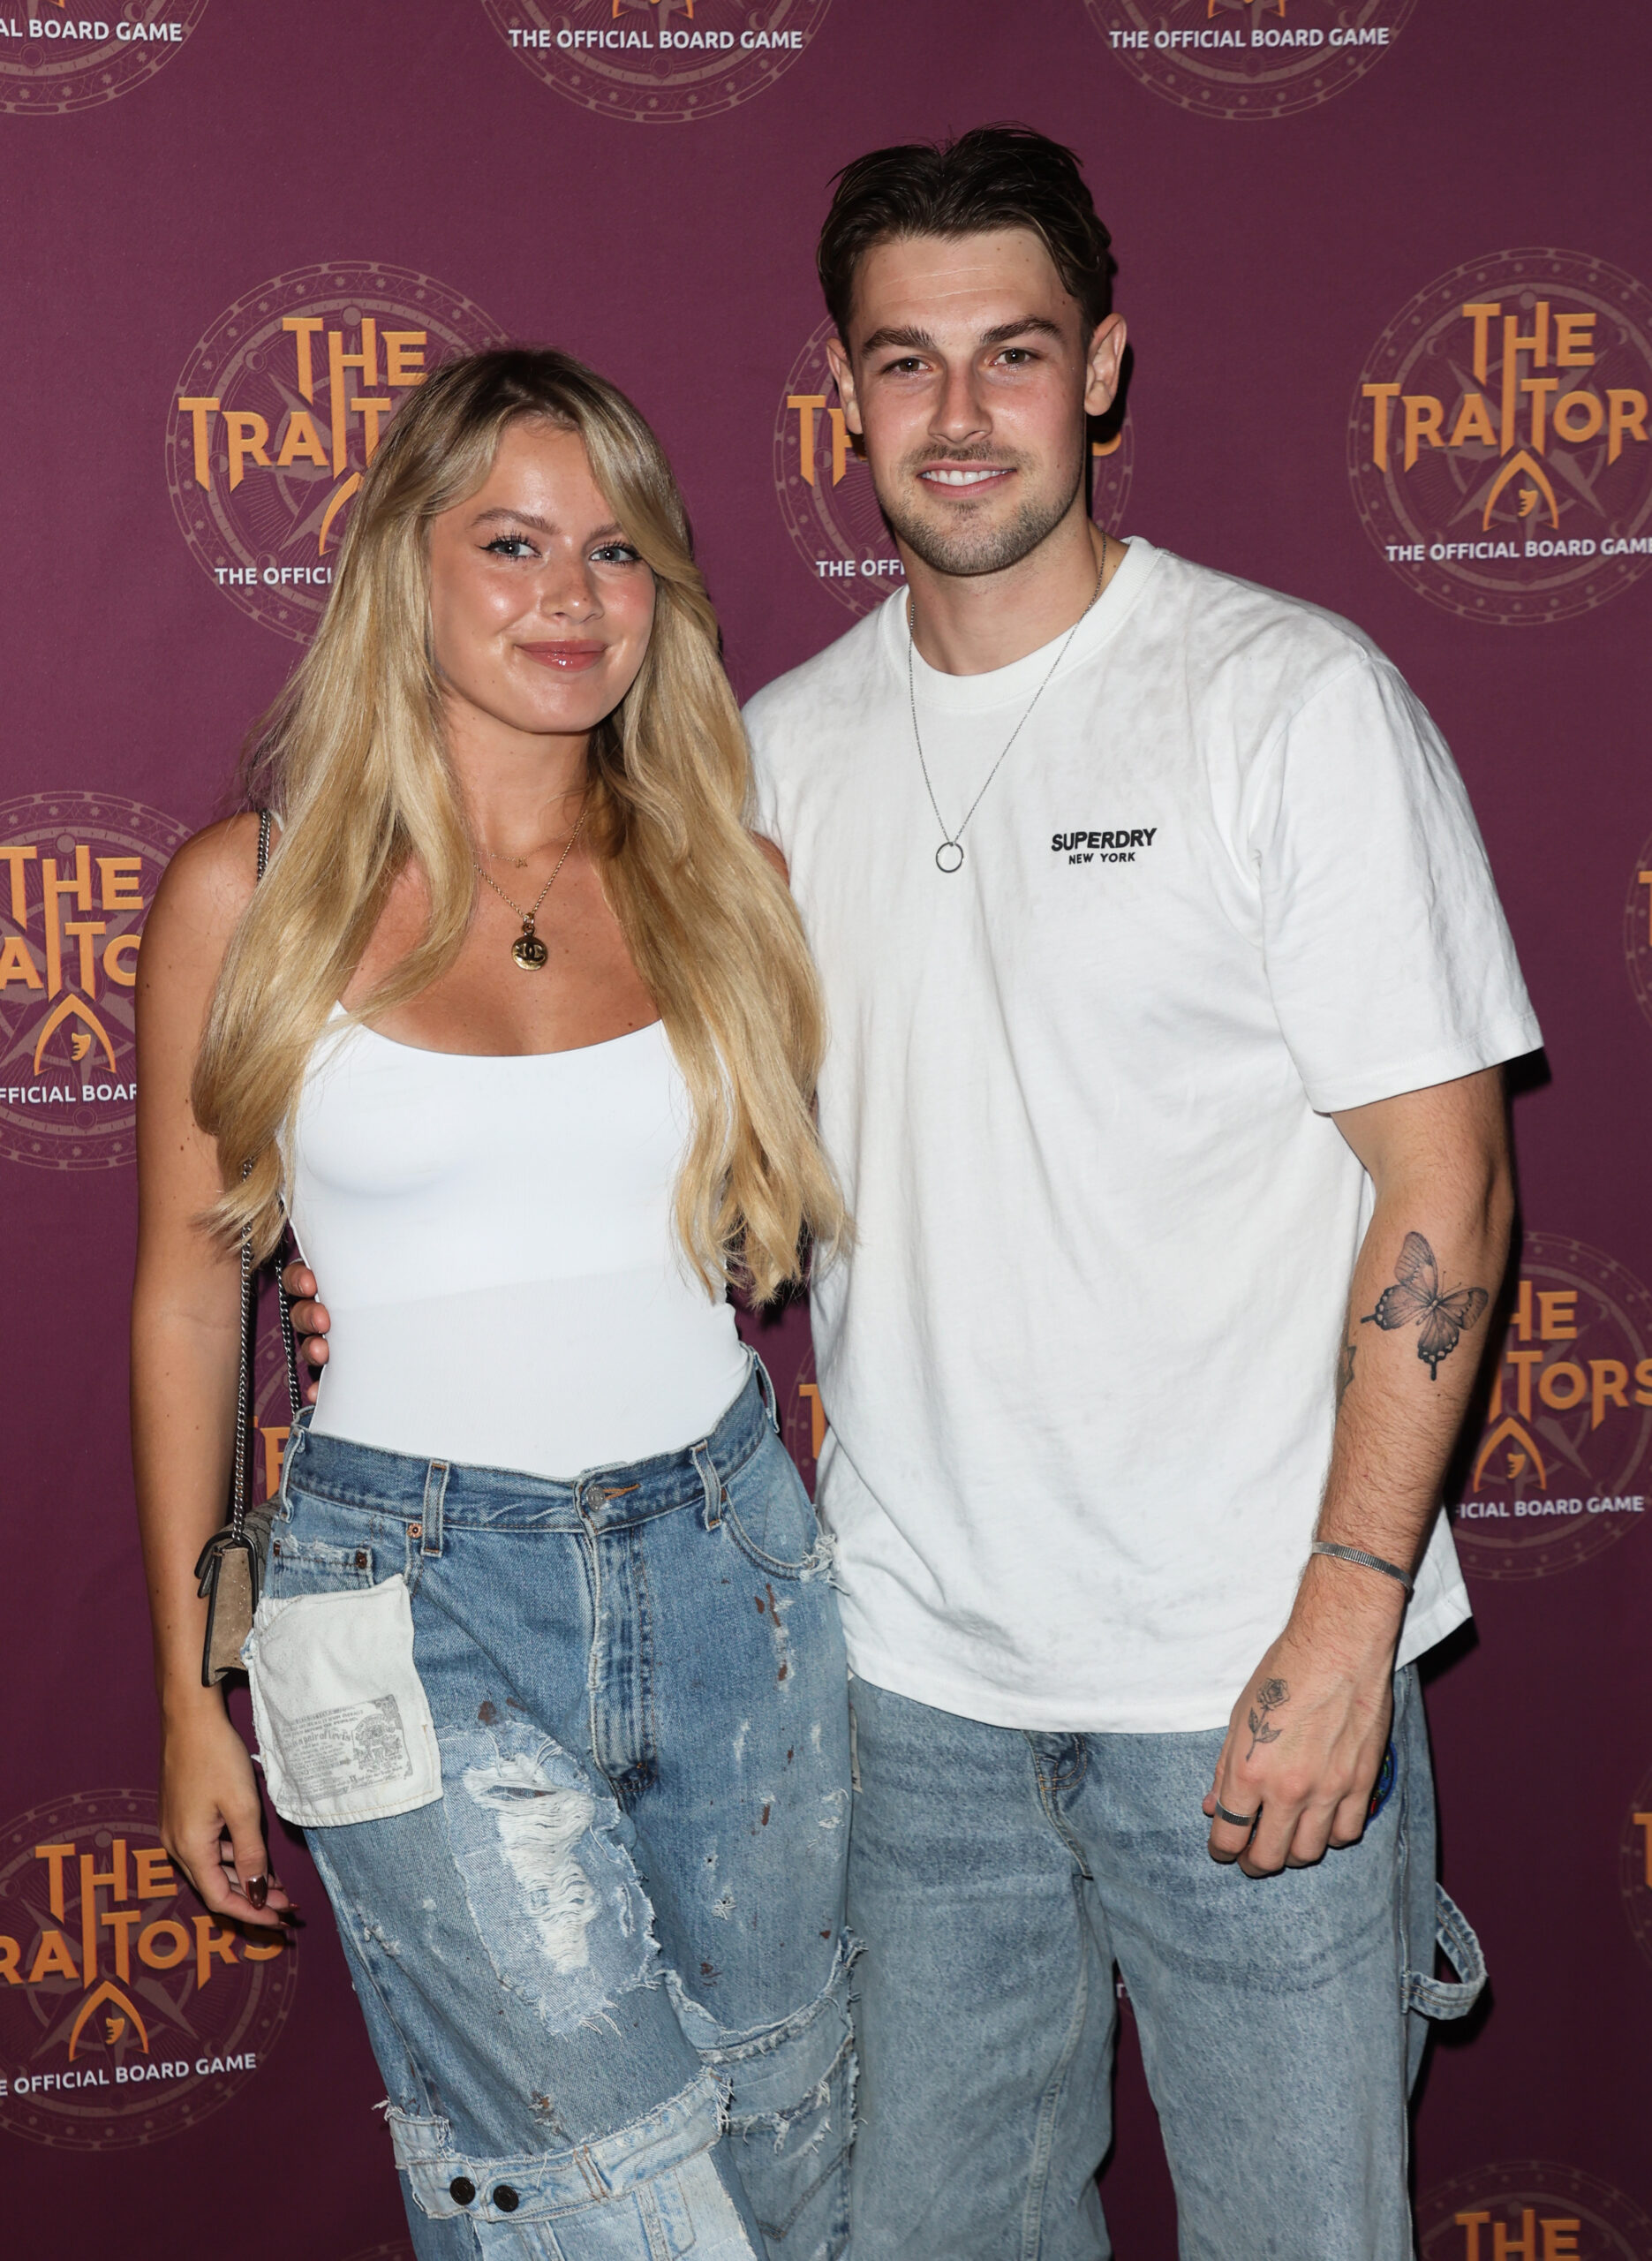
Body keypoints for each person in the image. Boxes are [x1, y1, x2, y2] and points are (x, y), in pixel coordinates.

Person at [291, 131, 1534, 2259]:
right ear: (844, 399)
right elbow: (639, 1131)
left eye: (1015, 354)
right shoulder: (750, 774)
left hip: (1245, 1676)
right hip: (902, 1699)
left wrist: (1348, 1617)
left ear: (1105, 370)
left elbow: (1449, 1180)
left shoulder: (1287, 703)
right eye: (907, 363)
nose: (962, 415)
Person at [132, 348, 856, 2261]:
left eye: (617, 551)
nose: (570, 595)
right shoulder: (254, 887)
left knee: (784, 2144)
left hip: (735, 1569)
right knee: (598, 2199)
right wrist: (192, 1688)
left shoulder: (731, 877)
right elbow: (192, 1307)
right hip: (403, 1597)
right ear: (407, 568)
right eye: (514, 541)